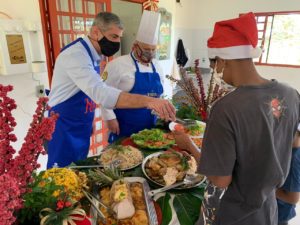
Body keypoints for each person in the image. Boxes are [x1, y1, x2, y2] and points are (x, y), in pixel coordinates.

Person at [173, 12, 300, 225]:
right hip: (268, 209)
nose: (216, 73)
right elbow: (293, 141)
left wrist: (191, 150)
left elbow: (220, 180)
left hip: (236, 214)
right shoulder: (291, 94)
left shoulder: (226, 108)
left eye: (215, 67)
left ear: (222, 60)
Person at [47, 12, 175, 169]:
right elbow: (102, 92)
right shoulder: (76, 55)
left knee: (77, 168)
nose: (117, 42)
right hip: (63, 124)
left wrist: (88, 118)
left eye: (119, 37)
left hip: (79, 121)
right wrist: (149, 101)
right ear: (95, 32)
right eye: (114, 37)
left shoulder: (92, 54)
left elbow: (85, 91)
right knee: (61, 174)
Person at [100, 10, 164, 142]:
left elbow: (160, 94)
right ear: (135, 46)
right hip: (124, 127)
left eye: (153, 49)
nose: (150, 53)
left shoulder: (157, 66)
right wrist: (109, 118)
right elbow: (102, 93)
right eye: (146, 49)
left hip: (151, 129)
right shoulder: (117, 65)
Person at [277, 123, 300, 225]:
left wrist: (270, 191)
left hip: (280, 213)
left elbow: (293, 198)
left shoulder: (293, 159)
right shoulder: (292, 152)